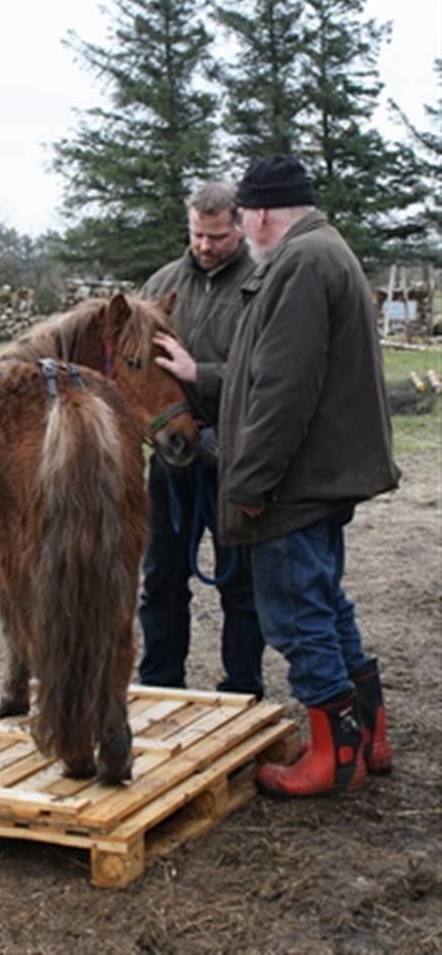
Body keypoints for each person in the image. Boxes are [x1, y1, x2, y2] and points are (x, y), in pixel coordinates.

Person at [155, 155, 399, 797]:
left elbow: (282, 392)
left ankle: (331, 757)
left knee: (296, 615)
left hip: (295, 483)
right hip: (319, 474)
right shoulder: (324, 251)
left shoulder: (300, 263)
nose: (238, 232)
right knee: (325, 601)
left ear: (259, 214)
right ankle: (367, 733)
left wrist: (248, 484)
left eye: (240, 219)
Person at [138, 182, 266, 697]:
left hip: (234, 457)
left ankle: (243, 687)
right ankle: (159, 682)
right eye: (197, 234)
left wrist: (201, 374)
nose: (205, 246)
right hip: (171, 460)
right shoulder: (161, 284)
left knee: (240, 582)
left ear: (240, 228)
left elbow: (271, 373)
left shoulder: (263, 284)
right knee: (161, 579)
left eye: (217, 237)